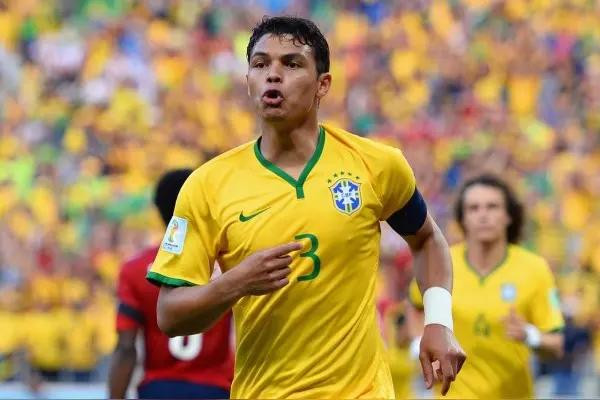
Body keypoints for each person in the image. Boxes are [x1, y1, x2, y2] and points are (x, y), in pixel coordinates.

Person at [148, 16, 465, 398]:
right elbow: (170, 315)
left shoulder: (376, 165)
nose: (273, 74)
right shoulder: (208, 185)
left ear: (322, 85)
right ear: (248, 80)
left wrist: (438, 320)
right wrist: (236, 282)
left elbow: (427, 238)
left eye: (291, 64)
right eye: (260, 64)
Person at [409, 174, 565, 398]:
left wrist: (530, 335)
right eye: (473, 208)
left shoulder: (535, 269)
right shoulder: (440, 262)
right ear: (462, 218)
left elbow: (557, 344)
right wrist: (419, 345)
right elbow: (415, 305)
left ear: (508, 215)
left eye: (492, 207)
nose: (483, 215)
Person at [108, 169, 233, 399]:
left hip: (158, 389)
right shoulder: (228, 264)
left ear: (158, 210)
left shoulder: (135, 269)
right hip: (215, 389)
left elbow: (126, 347)